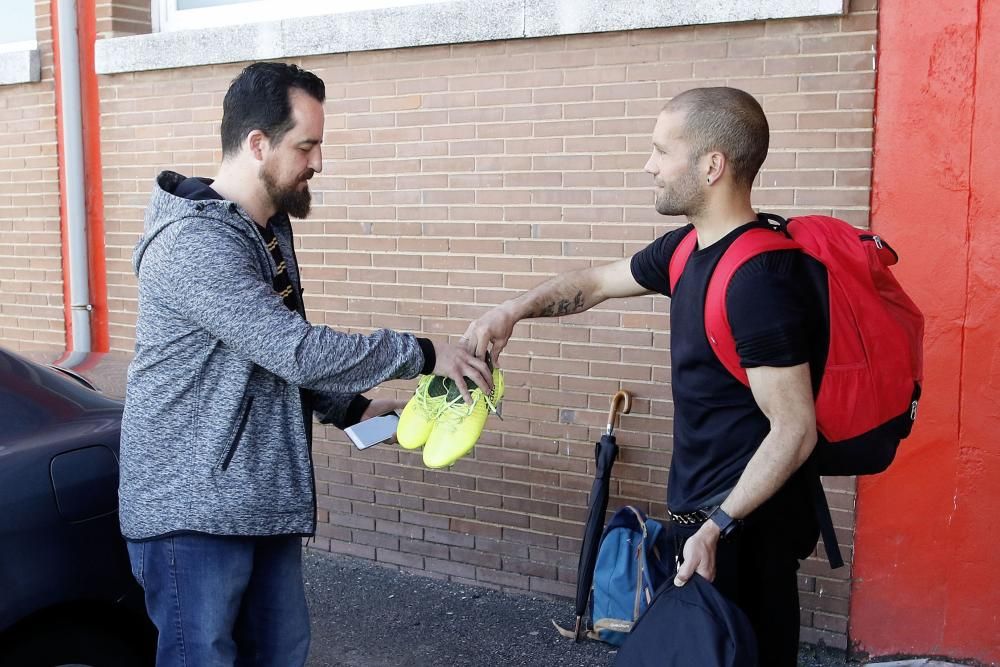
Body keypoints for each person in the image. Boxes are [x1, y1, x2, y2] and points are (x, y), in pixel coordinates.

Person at [119, 61, 492, 667]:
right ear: (257, 143)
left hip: (261, 501)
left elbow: (272, 354)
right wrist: (425, 354)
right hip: (193, 513)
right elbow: (295, 350)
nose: (318, 161)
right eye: (306, 145)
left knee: (281, 655)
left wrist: (357, 408)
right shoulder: (195, 244)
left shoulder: (265, 228)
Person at [463, 87, 825, 666]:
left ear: (712, 165)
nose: (648, 165)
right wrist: (513, 311)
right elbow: (598, 281)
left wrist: (718, 527)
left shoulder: (759, 280)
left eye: (661, 150)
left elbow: (794, 428)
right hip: (702, 521)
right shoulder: (686, 249)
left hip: (746, 530)